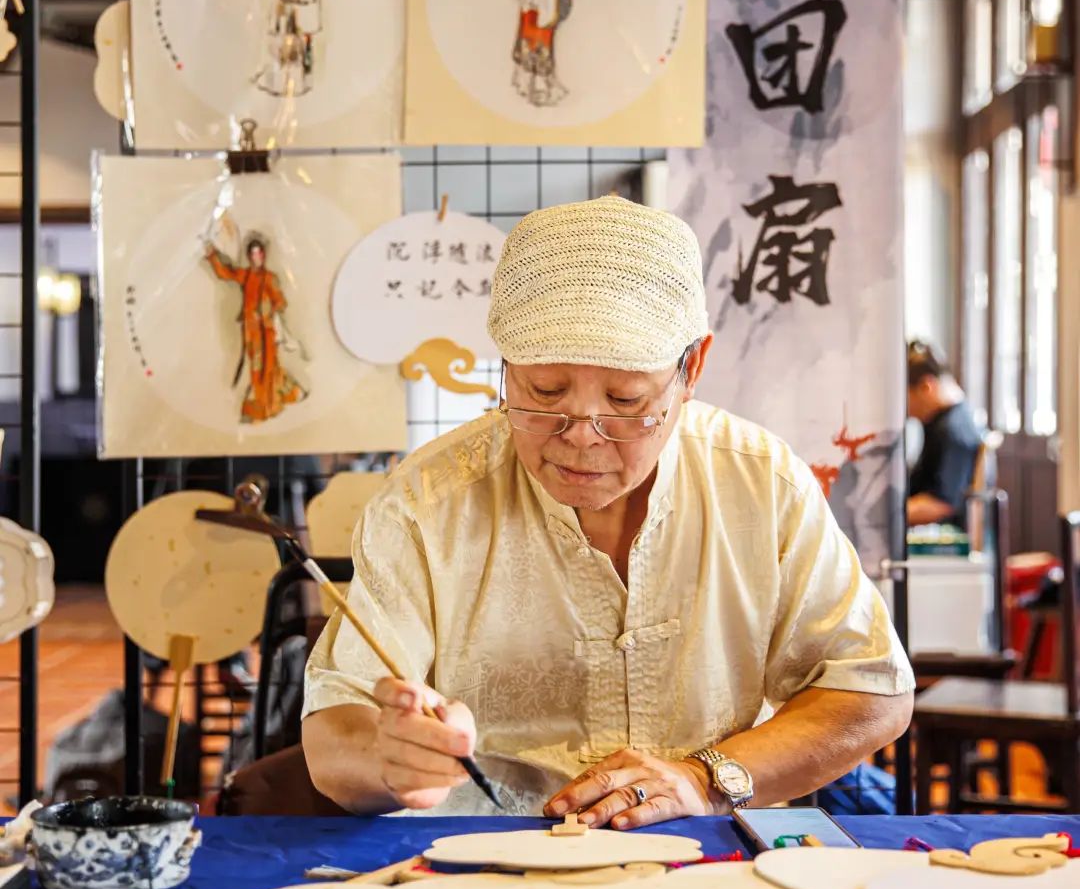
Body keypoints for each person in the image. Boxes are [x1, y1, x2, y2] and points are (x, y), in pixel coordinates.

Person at [303, 197, 913, 825]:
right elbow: (333, 734)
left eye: (625, 400)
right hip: (487, 853)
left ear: (692, 368)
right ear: (506, 368)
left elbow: (872, 689)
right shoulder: (427, 502)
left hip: (710, 852)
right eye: (544, 392)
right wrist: (388, 756)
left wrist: (705, 778)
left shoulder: (761, 482)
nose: (581, 436)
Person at [204, 231, 308, 425]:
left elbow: (280, 302)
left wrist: (269, 308)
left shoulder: (270, 278)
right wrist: (211, 255)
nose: (256, 257)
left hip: (266, 332)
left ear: (263, 255)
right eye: (252, 254)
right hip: (251, 333)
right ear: (249, 256)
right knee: (260, 369)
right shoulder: (245, 275)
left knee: (266, 369)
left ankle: (263, 408)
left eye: (259, 253)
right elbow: (225, 273)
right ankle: (290, 394)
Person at [906, 340, 983, 528]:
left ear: (926, 387)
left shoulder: (954, 430)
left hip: (947, 538)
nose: (905, 409)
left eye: (906, 396)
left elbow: (941, 504)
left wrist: (884, 515)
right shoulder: (939, 421)